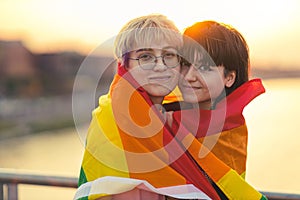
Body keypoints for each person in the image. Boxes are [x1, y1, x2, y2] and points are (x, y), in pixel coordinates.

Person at [75, 14, 221, 200]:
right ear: (124, 64)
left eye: (169, 55)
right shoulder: (111, 121)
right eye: (145, 57)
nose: (160, 66)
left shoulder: (169, 117)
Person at [165, 21, 267, 199]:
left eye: (204, 68)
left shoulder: (228, 131)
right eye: (185, 64)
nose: (188, 77)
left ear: (229, 77)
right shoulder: (163, 114)